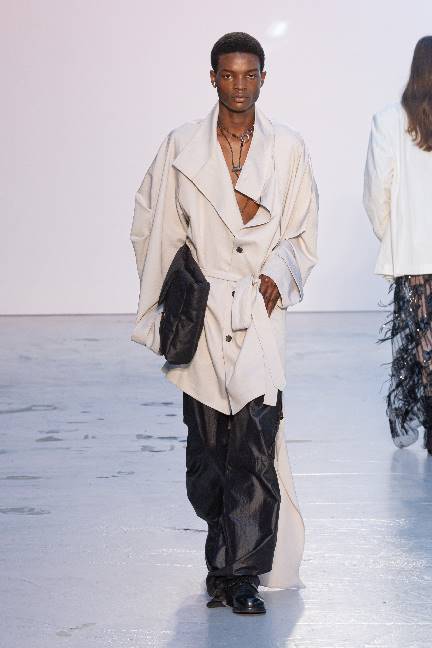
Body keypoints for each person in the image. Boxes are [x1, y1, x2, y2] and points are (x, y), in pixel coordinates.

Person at [131, 32, 318, 614]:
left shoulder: (288, 148)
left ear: (264, 78)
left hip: (258, 312)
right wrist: (171, 296)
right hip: (205, 314)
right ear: (212, 77)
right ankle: (221, 559)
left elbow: (303, 229)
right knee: (209, 453)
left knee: (254, 447)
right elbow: (152, 220)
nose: (240, 85)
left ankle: (241, 574)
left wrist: (279, 273)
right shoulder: (181, 145)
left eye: (250, 74)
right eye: (229, 75)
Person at [364, 36, 432, 453]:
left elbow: (377, 190)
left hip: (415, 253)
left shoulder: (389, 120)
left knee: (424, 341)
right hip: (414, 250)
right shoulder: (389, 119)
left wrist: (393, 236)